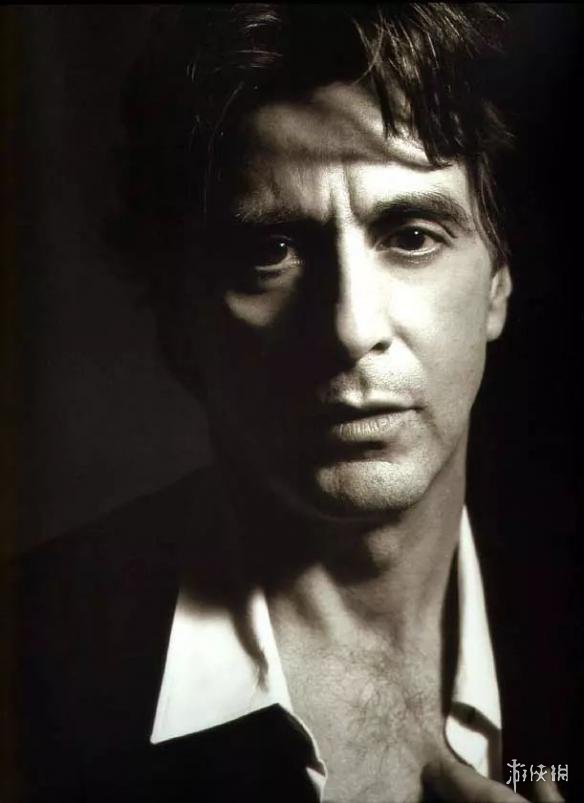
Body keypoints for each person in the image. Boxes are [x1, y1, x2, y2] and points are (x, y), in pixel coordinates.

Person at [17, 4, 576, 802]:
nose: (350, 328)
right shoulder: (29, 669)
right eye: (270, 251)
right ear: (177, 320)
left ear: (498, 283)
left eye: (412, 234)